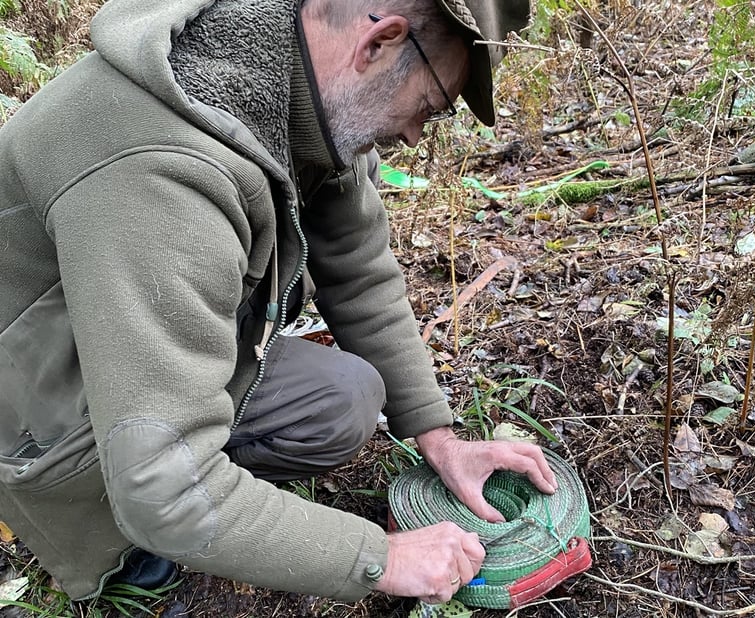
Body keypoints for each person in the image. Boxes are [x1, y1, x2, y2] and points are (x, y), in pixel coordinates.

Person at [0, 0, 558, 606]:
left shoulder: (303, 92)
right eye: (426, 108)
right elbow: (161, 489)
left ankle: (200, 482)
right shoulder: (158, 170)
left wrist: (440, 437)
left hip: (126, 340)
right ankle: (111, 544)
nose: (412, 136)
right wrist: (377, 558)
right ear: (380, 44)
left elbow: (360, 273)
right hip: (35, 406)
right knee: (160, 496)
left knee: (343, 400)